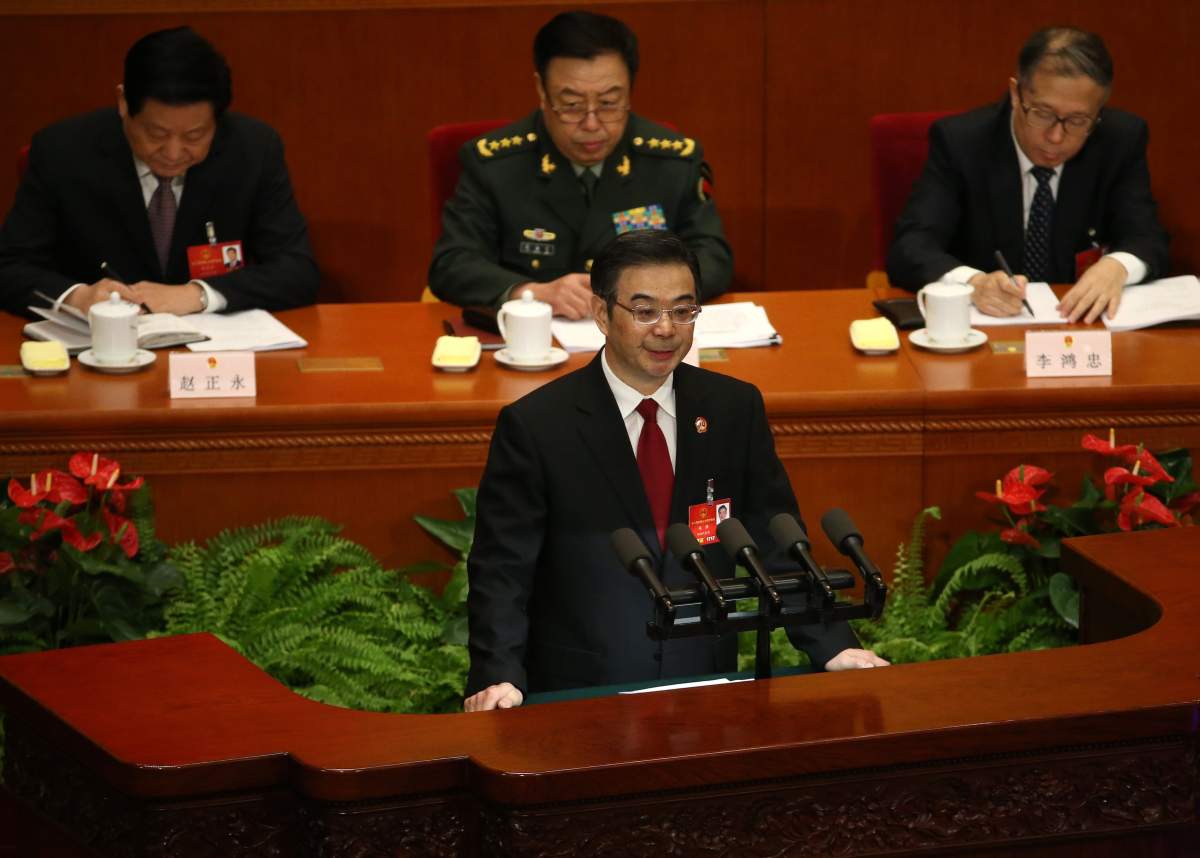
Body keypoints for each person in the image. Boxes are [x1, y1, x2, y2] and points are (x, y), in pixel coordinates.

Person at [464, 231, 885, 712]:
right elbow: (503, 570)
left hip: (705, 686)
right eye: (644, 311)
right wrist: (498, 675)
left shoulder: (732, 408)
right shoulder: (539, 426)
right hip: (582, 692)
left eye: (683, 310)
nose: (666, 329)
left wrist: (834, 645)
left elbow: (775, 540)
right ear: (603, 314)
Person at [428, 11, 733, 319]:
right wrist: (531, 293)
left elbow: (713, 258)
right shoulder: (495, 165)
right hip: (530, 346)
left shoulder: (671, 162)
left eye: (608, 103)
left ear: (629, 92)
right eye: (572, 105)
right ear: (542, 91)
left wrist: (643, 296)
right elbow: (452, 263)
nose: (591, 123)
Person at [0, 26, 318, 318]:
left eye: (194, 136)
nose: (173, 153)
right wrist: (77, 298)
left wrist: (199, 295)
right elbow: (9, 266)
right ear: (123, 102)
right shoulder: (62, 152)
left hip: (210, 355)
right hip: (96, 352)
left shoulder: (253, 150)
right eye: (156, 134)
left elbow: (297, 269)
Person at [886, 26, 1169, 323]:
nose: (1056, 137)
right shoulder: (962, 142)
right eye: (1043, 113)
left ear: (1098, 113)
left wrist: (1117, 267)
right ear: (1015, 93)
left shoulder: (1119, 140)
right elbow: (912, 246)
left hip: (1079, 334)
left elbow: (1147, 237)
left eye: (1077, 120)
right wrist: (973, 284)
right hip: (985, 334)